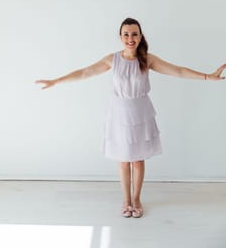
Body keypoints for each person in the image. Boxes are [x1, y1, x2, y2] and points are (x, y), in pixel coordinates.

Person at [35, 17, 226, 218]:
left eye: (134, 34)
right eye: (126, 34)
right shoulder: (112, 59)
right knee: (123, 159)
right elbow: (85, 73)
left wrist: (207, 76)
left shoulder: (147, 59)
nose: (130, 38)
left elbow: (177, 70)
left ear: (140, 36)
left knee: (137, 160)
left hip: (140, 111)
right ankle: (126, 200)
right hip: (119, 112)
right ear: (120, 37)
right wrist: (56, 81)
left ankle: (136, 199)